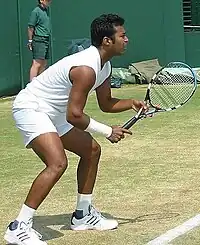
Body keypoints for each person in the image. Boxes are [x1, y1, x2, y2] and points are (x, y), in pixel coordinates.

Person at [4, 14, 148, 245]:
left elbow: (106, 103)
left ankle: (82, 215)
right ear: (106, 41)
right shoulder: (85, 68)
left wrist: (131, 102)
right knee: (57, 162)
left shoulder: (105, 66)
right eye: (122, 36)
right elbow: (75, 115)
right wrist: (108, 131)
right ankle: (19, 225)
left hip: (55, 112)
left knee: (91, 151)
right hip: (33, 107)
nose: (127, 39)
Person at [28, 0, 52, 81]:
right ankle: (31, 87)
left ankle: (41, 84)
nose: (50, 1)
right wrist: (30, 41)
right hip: (39, 40)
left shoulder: (46, 11)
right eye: (48, 0)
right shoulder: (36, 11)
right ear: (41, 0)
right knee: (37, 64)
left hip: (46, 40)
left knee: (43, 64)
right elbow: (30, 27)